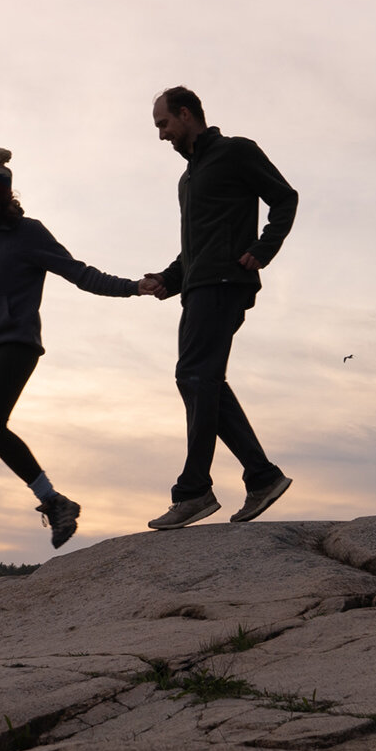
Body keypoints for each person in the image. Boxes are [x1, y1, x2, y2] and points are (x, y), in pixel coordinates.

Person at [0, 148, 145, 574]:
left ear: (3, 199)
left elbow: (79, 272)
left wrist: (133, 287)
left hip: (16, 344)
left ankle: (55, 501)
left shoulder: (30, 234)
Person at [137, 87, 298, 529]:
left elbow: (285, 198)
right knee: (203, 381)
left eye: (163, 124)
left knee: (193, 376)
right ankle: (262, 477)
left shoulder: (235, 152)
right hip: (199, 287)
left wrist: (263, 249)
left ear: (186, 115)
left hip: (227, 282)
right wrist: (169, 278)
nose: (161, 135)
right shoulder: (188, 179)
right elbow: (195, 246)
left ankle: (194, 492)